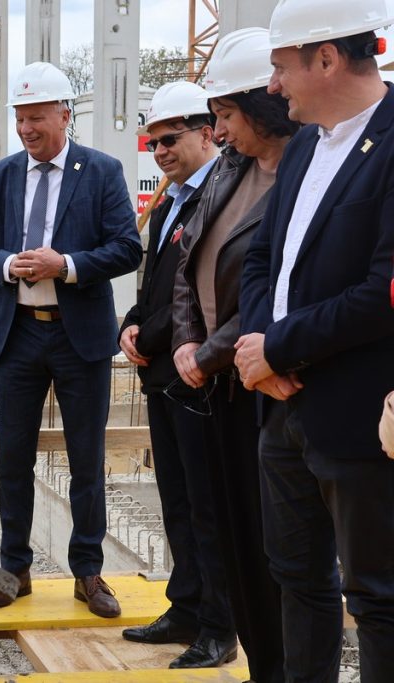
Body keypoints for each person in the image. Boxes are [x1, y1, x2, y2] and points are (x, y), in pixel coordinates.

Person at [235, 1, 394, 680]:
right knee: (296, 578)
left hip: (359, 416)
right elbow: (260, 260)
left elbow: (382, 293)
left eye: (280, 67)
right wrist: (257, 349)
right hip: (282, 406)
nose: (273, 86)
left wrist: (277, 348)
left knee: (378, 596)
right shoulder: (304, 145)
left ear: (326, 58)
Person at [0, 61, 142, 616]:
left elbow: (126, 248)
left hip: (79, 338)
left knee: (86, 461)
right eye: (20, 119)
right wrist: (6, 265)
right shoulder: (1, 176)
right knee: (13, 459)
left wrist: (64, 265)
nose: (26, 129)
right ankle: (13, 570)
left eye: (36, 118)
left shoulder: (103, 172)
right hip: (17, 335)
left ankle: (88, 573)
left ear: (65, 115)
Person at [172, 27, 297, 682]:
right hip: (218, 381)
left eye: (225, 115)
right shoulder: (229, 168)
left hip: (262, 378)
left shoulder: (303, 171)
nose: (217, 131)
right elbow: (188, 259)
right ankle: (260, 662)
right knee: (233, 539)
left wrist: (213, 352)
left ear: (261, 106)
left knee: (278, 547)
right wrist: (188, 340)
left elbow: (273, 289)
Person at [118, 81, 234, 669]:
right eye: (153, 142)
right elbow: (156, 282)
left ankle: (219, 625)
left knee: (208, 503)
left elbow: (202, 291)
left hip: (197, 376)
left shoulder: (223, 193)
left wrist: (151, 332)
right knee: (177, 500)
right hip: (162, 374)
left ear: (206, 132)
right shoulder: (168, 203)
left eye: (170, 139)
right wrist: (130, 324)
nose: (160, 151)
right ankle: (186, 606)